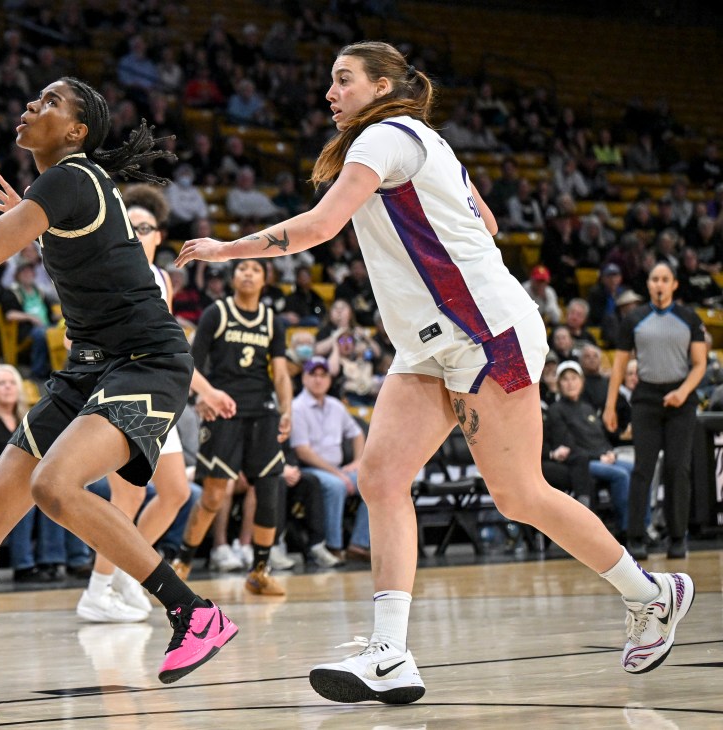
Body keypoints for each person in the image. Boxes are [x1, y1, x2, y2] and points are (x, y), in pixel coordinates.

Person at [176, 41, 693, 705]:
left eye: (344, 80)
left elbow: (321, 224)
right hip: (429, 342)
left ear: (383, 85)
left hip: (483, 332)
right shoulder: (426, 142)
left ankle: (652, 595)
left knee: (519, 495)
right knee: (381, 476)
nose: (330, 93)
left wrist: (227, 248)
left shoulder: (386, 137)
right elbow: (488, 219)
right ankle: (389, 651)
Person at [0, 76, 237, 717]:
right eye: (34, 98)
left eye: (50, 103)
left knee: (55, 486)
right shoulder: (59, 189)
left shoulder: (69, 180)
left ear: (78, 131)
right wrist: (34, 221)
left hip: (145, 361)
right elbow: (5, 251)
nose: (31, 106)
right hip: (88, 368)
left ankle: (193, 613)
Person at [76, 184, 236, 622]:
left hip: (154, 396)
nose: (137, 232)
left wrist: (204, 390)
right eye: (130, 225)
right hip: (122, 393)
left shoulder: (162, 279)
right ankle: (97, 589)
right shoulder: (112, 271)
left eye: (144, 226)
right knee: (126, 498)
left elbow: (170, 349)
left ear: (159, 235)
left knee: (176, 492)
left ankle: (130, 572)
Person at [169, 258, 292, 596]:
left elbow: (280, 373)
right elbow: (192, 362)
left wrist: (287, 410)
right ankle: (183, 562)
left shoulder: (272, 321)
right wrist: (201, 398)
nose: (248, 273)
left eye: (255, 269)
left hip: (262, 412)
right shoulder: (216, 313)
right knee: (213, 495)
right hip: (224, 411)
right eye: (242, 269)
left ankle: (260, 571)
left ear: (265, 279)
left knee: (269, 490)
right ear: (233, 276)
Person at [604, 262, 707, 560]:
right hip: (646, 397)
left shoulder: (689, 317)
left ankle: (677, 537)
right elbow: (620, 366)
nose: (659, 284)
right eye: (654, 279)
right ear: (648, 285)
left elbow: (700, 364)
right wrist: (610, 406)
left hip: (681, 399)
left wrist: (683, 392)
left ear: (674, 284)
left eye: (665, 279)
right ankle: (636, 536)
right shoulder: (634, 318)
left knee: (678, 468)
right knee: (642, 470)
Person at [0, 365, 50, 584]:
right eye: (1, 383)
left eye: (12, 383)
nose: (7, 388)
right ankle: (23, 565)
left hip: (26, 477)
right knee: (23, 496)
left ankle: (53, 560)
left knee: (54, 492)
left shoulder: (28, 417)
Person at [290, 356, 370, 560]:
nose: (318, 380)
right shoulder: (297, 407)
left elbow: (357, 433)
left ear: (329, 380)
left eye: (323, 375)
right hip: (309, 469)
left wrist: (358, 461)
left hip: (338, 469)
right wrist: (338, 474)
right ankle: (333, 546)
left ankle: (359, 544)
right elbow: (303, 452)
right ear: (304, 379)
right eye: (313, 375)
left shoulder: (336, 405)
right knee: (336, 486)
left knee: (373, 482)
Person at [547, 361, 634, 535]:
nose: (570, 383)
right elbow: (568, 446)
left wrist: (609, 452)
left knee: (638, 470)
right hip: (582, 463)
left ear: (581, 382)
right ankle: (626, 530)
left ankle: (643, 526)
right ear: (559, 384)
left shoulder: (587, 408)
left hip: (601, 458)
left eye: (574, 378)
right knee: (621, 475)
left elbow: (600, 438)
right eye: (565, 379)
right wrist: (599, 457)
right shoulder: (556, 410)